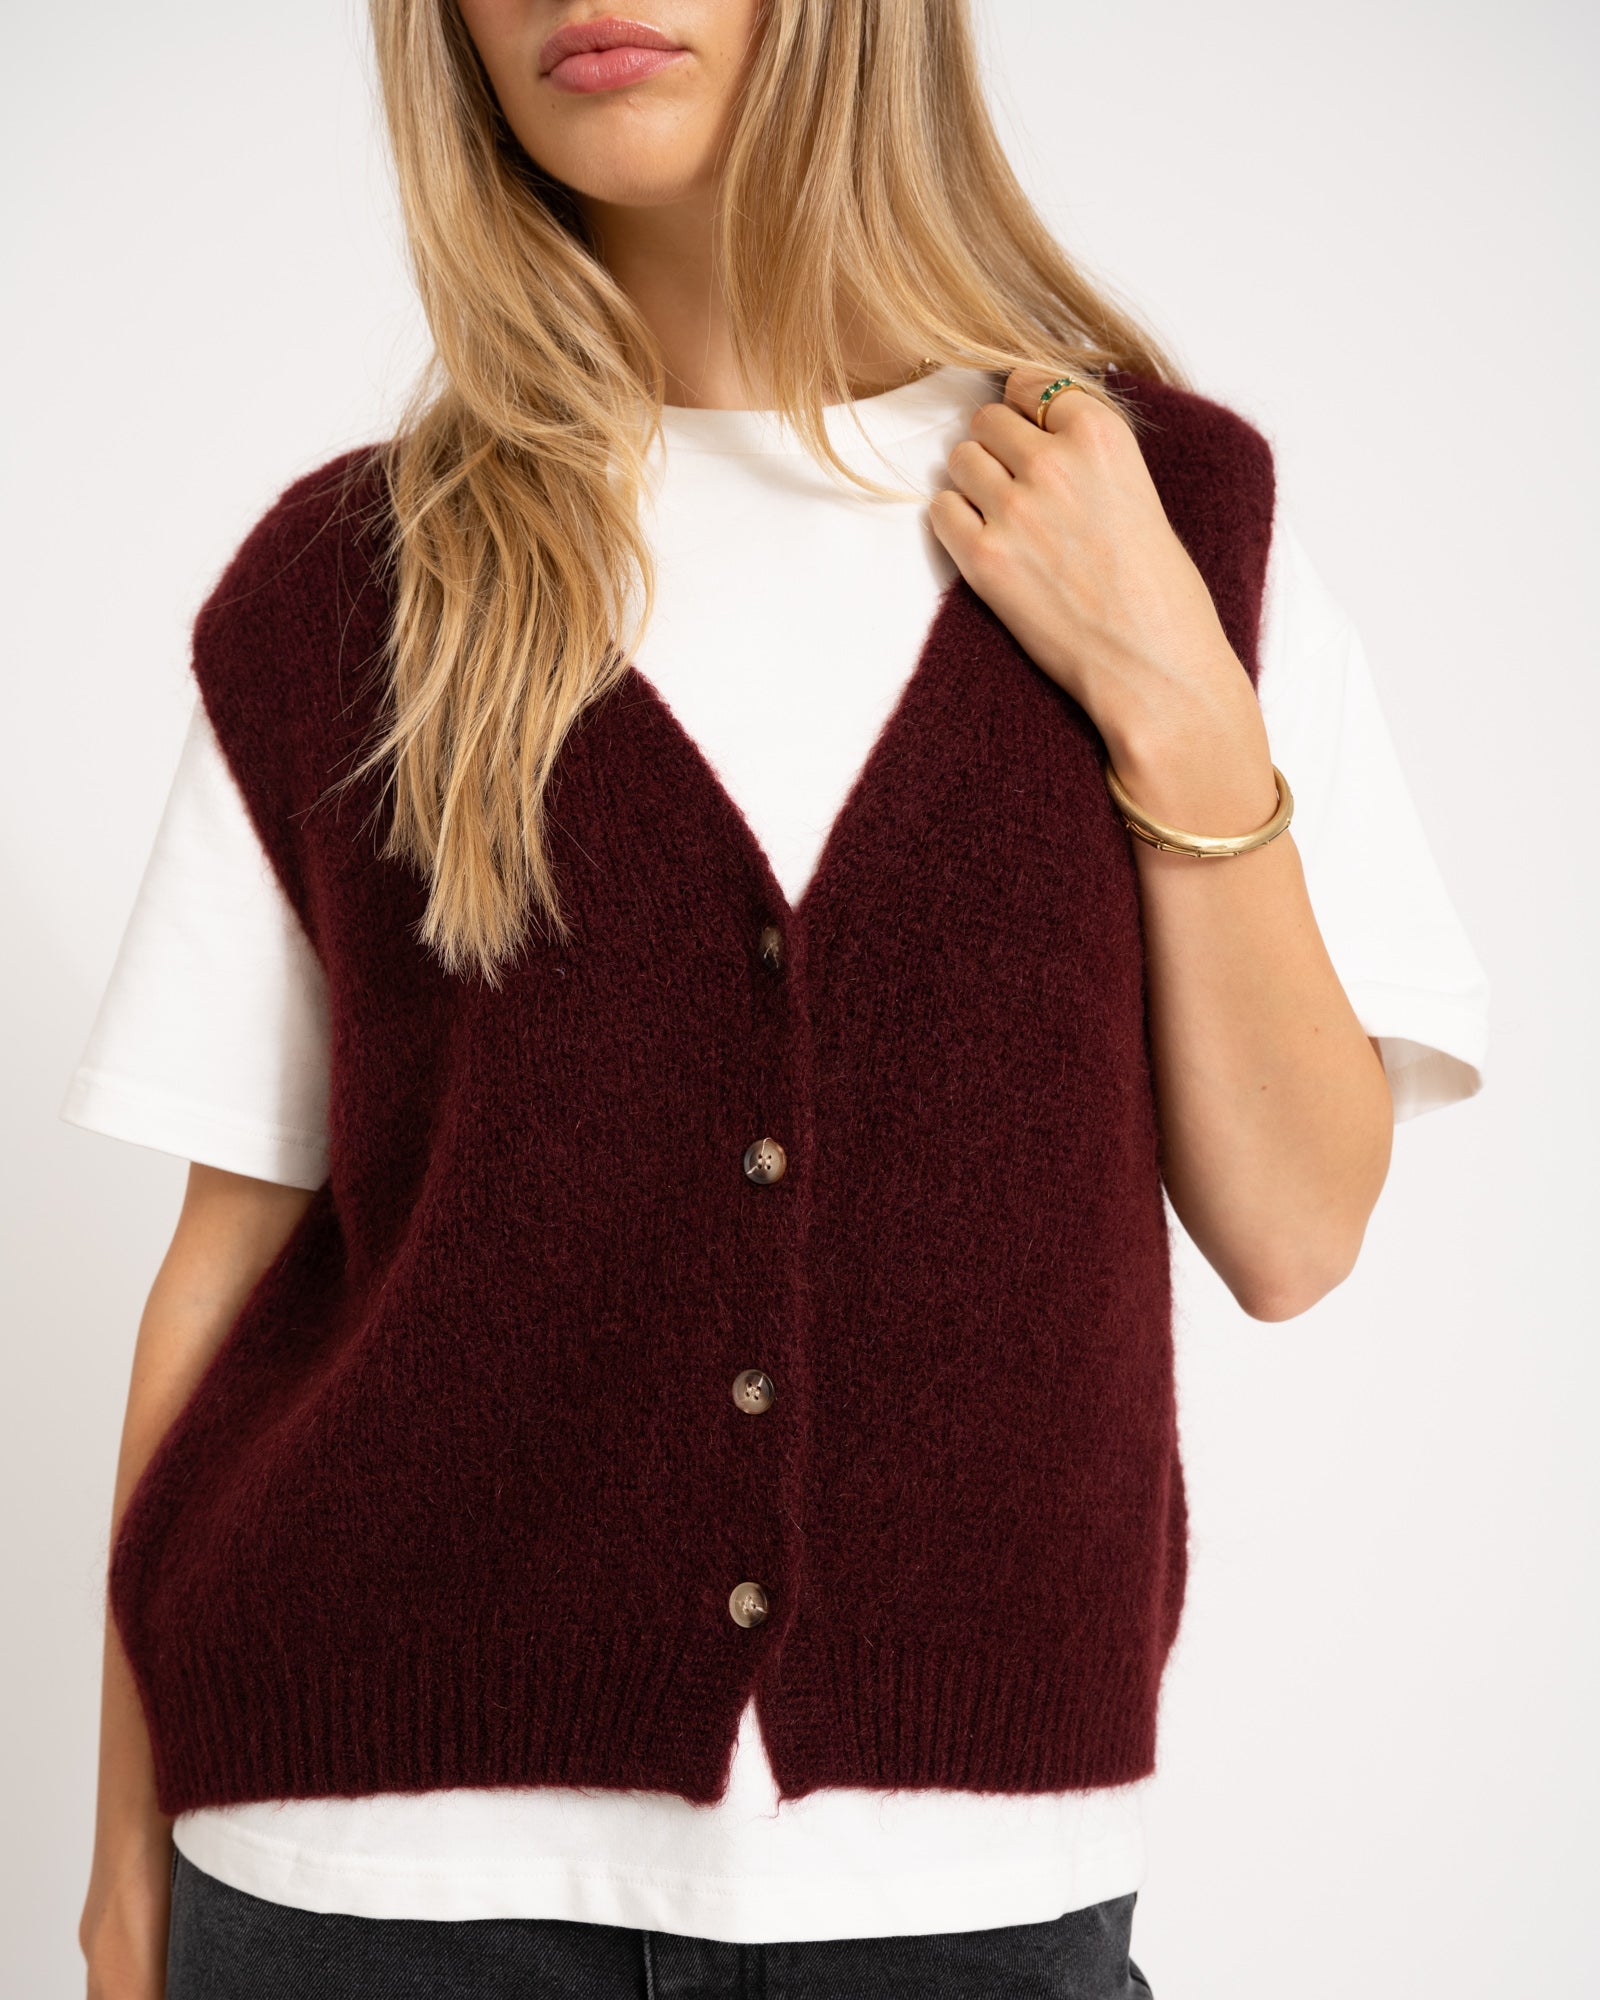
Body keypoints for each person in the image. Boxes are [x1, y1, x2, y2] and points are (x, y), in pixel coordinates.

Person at [65, 3, 1490, 1996]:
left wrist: (1170, 696)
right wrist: (119, 1873)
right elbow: (224, 1264)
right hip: (362, 1880)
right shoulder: (348, 584)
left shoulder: (1167, 515)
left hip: (957, 1904)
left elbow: (1294, 1227)